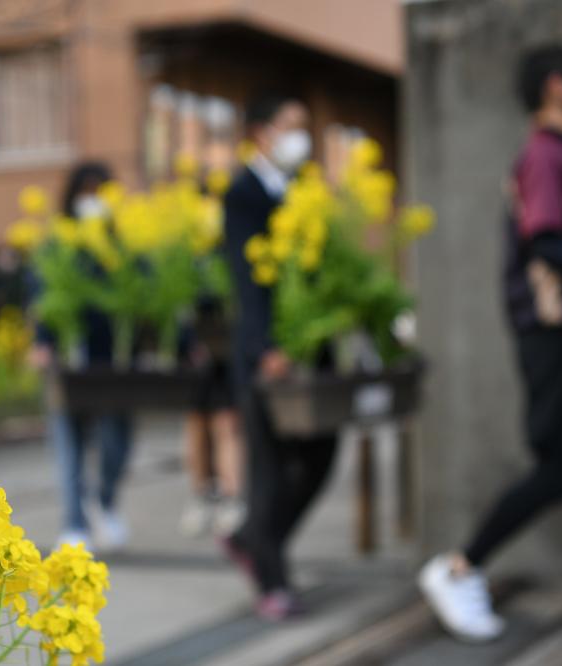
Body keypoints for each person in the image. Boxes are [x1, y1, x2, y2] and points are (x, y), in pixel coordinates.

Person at [419, 44, 562, 644]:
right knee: (557, 469)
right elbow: (544, 238)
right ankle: (458, 567)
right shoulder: (546, 157)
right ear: (557, 85)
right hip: (553, 337)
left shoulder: (558, 155)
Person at [221, 93, 338, 620]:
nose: (301, 136)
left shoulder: (306, 189)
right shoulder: (243, 193)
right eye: (291, 126)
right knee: (267, 469)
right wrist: (266, 347)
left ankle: (252, 538)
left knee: (321, 455)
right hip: (265, 351)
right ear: (262, 134)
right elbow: (248, 281)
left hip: (313, 351)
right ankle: (272, 578)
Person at [29, 161, 134, 552]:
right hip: (67, 360)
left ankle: (103, 502)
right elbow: (42, 296)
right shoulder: (57, 241)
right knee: (68, 443)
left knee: (116, 443)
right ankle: (74, 522)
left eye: (101, 192)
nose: (93, 202)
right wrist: (42, 341)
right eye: (86, 192)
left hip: (113, 361)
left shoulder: (121, 244)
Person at [179, 293, 244, 538]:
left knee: (226, 423)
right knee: (197, 423)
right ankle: (203, 494)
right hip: (195, 343)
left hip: (227, 344)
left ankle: (230, 494)